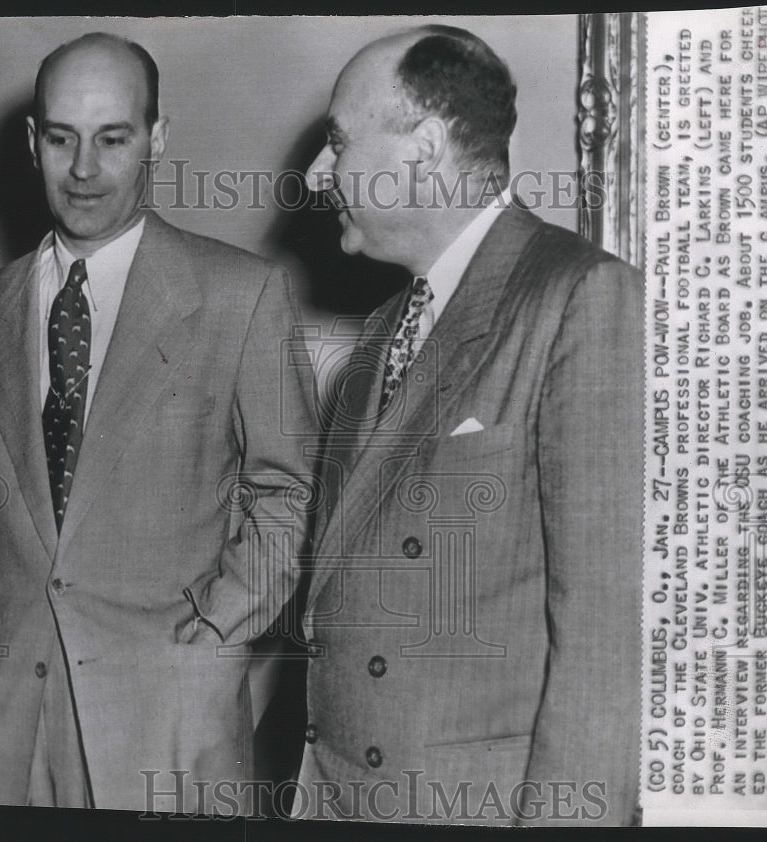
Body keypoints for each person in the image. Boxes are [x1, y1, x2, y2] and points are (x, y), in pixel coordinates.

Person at [0, 32, 316, 811]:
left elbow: (290, 500)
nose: (84, 170)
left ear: (157, 139)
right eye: (62, 138)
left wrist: (211, 641)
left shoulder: (242, 296)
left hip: (170, 726)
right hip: (7, 729)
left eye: (113, 139)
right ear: (33, 142)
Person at [295, 25, 643, 826]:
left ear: (422, 148)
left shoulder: (581, 300)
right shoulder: (384, 331)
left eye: (338, 143)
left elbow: (604, 646)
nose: (319, 175)